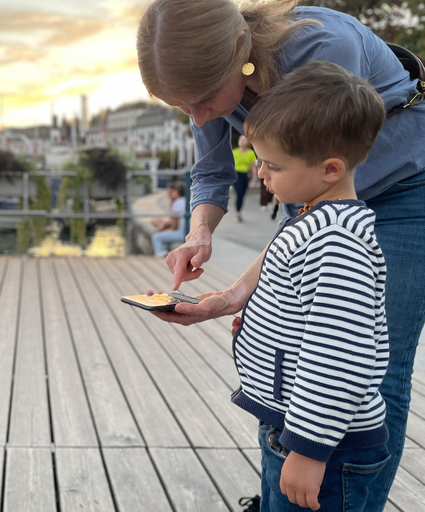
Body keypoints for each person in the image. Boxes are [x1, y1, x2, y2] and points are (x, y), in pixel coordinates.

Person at [136, 1, 425, 510]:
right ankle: (286, 489)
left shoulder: (321, 50)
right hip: (319, 194)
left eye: (203, 101)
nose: (199, 117)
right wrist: (200, 233)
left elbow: (318, 211)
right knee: (295, 346)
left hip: (402, 185)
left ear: (239, 55)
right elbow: (213, 170)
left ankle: (345, 494)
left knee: (376, 367)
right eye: (181, 107)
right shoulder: (209, 84)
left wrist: (235, 294)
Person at [244, 62, 388, 511]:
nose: (260, 173)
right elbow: (307, 314)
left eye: (273, 164)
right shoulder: (315, 220)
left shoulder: (335, 241)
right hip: (297, 427)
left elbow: (339, 351)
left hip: (326, 445)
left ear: (329, 169)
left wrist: (307, 450)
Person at [150, 180, 187, 257]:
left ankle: (159, 254)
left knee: (156, 237)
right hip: (187, 231)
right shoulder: (185, 201)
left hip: (182, 232)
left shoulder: (177, 203)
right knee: (163, 234)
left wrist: (165, 230)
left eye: (172, 192)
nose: (169, 195)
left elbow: (175, 226)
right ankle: (164, 250)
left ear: (177, 192)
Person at [233, 135, 257, 222]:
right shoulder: (234, 152)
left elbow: (253, 167)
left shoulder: (251, 153)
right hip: (236, 175)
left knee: (242, 195)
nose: (242, 141)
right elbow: (230, 165)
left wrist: (254, 178)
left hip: (245, 175)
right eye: (240, 140)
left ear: (247, 142)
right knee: (239, 194)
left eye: (244, 140)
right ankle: (237, 213)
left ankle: (239, 212)